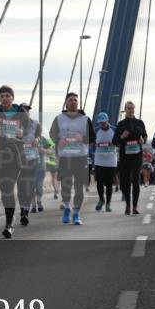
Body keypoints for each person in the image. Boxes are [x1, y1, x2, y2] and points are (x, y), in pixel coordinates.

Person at [0, 86, 32, 238]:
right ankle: (10, 218)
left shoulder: (21, 113)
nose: (4, 99)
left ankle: (9, 224)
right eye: (2, 96)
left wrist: (22, 132)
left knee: (9, 186)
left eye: (7, 96)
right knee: (5, 190)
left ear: (12, 98)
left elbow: (30, 130)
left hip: (15, 154)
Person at [50, 93, 94, 225]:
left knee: (79, 187)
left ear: (78, 103)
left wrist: (83, 138)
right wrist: (59, 140)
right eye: (70, 100)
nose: (73, 102)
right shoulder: (59, 118)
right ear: (66, 103)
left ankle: (76, 213)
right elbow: (52, 135)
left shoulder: (85, 119)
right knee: (66, 187)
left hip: (80, 158)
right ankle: (67, 209)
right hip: (65, 157)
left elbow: (93, 137)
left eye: (75, 100)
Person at [113, 101, 148, 215]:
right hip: (125, 155)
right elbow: (114, 141)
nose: (131, 110)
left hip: (137, 155)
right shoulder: (121, 124)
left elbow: (145, 135)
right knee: (125, 181)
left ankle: (135, 206)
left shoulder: (140, 122)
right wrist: (121, 136)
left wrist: (143, 139)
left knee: (136, 180)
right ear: (125, 110)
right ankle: (128, 205)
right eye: (129, 108)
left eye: (132, 108)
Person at [92, 113, 117, 212]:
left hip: (111, 160)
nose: (102, 124)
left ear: (107, 121)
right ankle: (101, 200)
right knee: (99, 182)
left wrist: (114, 143)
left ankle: (108, 203)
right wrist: (94, 144)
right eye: (100, 122)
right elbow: (92, 143)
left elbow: (119, 141)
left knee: (109, 183)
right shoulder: (96, 130)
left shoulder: (114, 130)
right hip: (99, 160)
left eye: (104, 122)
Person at [29, 122, 50, 213]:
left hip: (41, 167)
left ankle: (39, 202)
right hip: (29, 167)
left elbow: (50, 150)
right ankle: (33, 205)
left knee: (39, 187)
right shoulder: (26, 139)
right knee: (31, 187)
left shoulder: (43, 139)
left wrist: (43, 150)